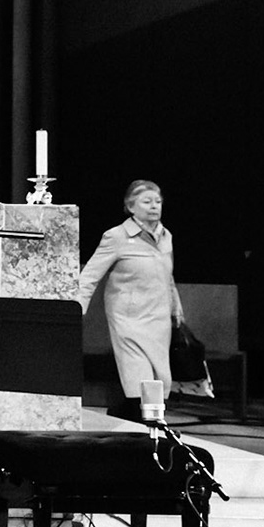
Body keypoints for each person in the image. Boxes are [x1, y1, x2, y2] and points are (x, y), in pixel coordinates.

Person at [78, 180, 186, 420]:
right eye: (146, 202)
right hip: (128, 315)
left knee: (160, 376)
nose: (153, 207)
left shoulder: (165, 236)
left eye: (157, 202)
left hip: (158, 316)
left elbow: (167, 276)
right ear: (130, 206)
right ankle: (142, 424)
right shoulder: (116, 236)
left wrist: (176, 308)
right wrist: (77, 307)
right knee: (138, 376)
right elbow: (90, 275)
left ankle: (131, 419)